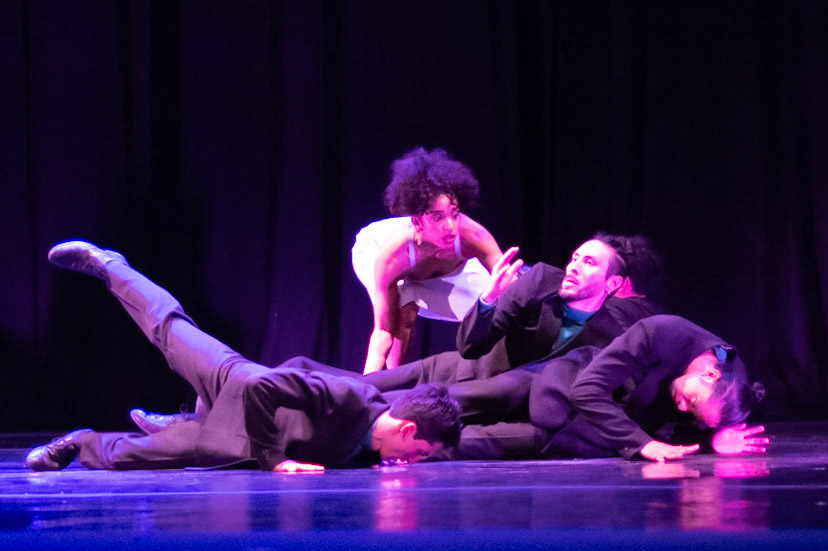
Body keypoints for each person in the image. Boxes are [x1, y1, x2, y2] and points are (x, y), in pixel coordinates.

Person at [129, 232, 666, 435]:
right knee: (340, 384)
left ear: (614, 285)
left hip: (478, 402)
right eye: (576, 256)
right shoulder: (539, 280)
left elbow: (664, 364)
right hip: (451, 372)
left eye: (590, 263)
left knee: (336, 399)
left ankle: (210, 415)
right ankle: (201, 416)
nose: (574, 265)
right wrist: (489, 299)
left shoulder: (614, 330)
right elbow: (471, 345)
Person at [26, 241, 461, 473]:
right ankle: (109, 265)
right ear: (406, 428)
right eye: (419, 452)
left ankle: (76, 443)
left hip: (234, 436)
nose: (413, 462)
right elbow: (260, 386)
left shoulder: (372, 454)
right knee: (169, 328)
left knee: (137, 455)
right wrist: (276, 460)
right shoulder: (351, 399)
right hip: (235, 381)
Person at [447, 315, 768, 463]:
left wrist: (711, 439)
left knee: (477, 442)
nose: (683, 408)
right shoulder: (662, 332)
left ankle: (419, 445)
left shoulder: (729, 388)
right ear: (710, 374)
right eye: (692, 402)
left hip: (588, 429)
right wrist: (642, 443)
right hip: (564, 383)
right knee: (465, 400)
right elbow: (587, 390)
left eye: (693, 412)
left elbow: (680, 431)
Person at [352, 147, 503, 374]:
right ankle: (396, 382)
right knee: (402, 305)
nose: (450, 226)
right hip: (379, 249)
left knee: (493, 309)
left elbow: (511, 293)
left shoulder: (473, 236)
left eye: (455, 213)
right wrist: (366, 382)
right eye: (438, 217)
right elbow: (382, 331)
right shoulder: (391, 255)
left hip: (445, 268)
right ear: (417, 220)